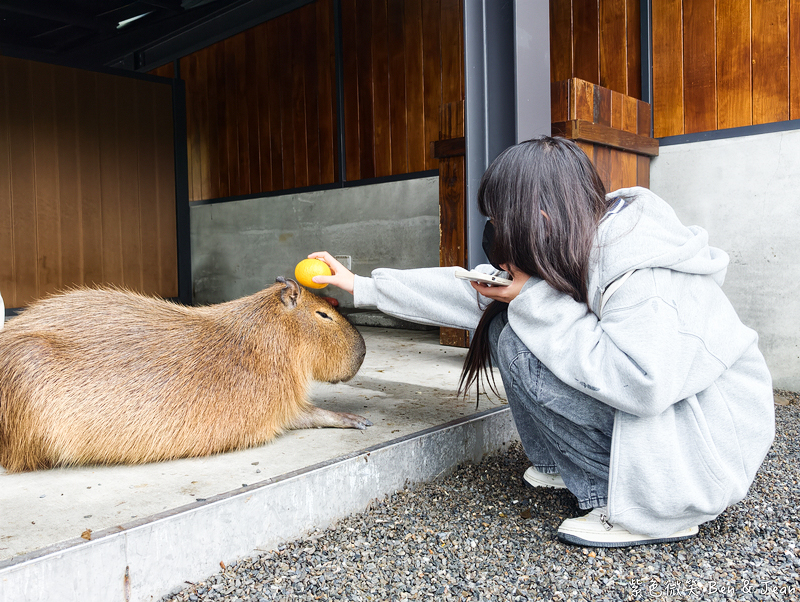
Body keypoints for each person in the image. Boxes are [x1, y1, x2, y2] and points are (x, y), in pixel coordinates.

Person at [309, 136, 774, 548]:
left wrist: (533, 299)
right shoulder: (578, 240)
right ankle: (563, 464)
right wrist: (360, 285)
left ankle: (635, 509)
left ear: (541, 219)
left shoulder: (641, 273)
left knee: (519, 338)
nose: (496, 233)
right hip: (671, 430)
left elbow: (641, 383)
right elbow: (471, 290)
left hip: (694, 455)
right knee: (504, 324)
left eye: (500, 219)